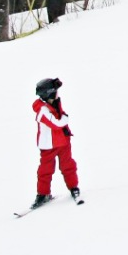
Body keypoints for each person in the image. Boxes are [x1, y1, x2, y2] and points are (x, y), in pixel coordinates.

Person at [31, 77, 82, 209]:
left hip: (63, 142)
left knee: (68, 166)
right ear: (49, 94)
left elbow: (61, 115)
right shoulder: (42, 111)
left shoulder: (55, 102)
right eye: (56, 92)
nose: (58, 95)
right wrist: (65, 119)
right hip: (48, 146)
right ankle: (43, 194)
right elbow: (56, 123)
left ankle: (74, 187)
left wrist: (64, 118)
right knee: (45, 170)